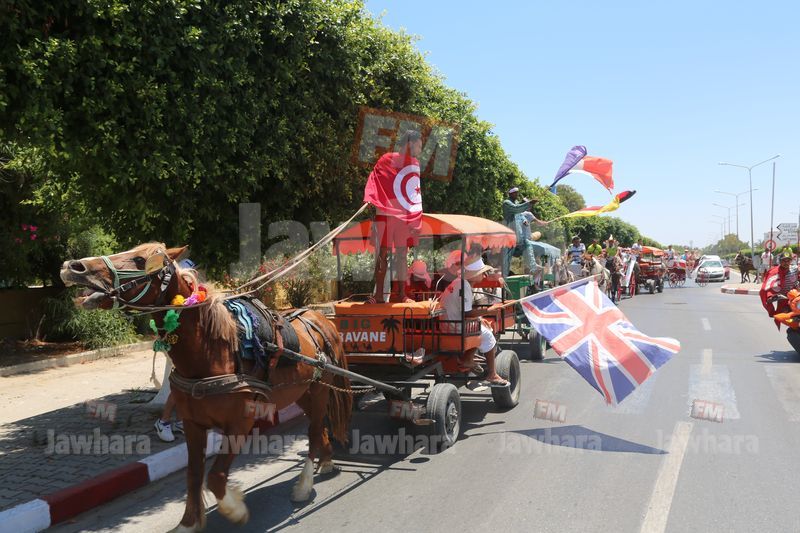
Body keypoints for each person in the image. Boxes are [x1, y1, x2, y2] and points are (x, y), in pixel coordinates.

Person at [363, 130, 424, 303]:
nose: (420, 150)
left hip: (403, 217)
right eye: (419, 146)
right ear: (410, 143)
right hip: (384, 214)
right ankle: (378, 295)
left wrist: (414, 217)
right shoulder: (386, 159)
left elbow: (413, 192)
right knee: (382, 254)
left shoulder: (415, 164)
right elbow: (376, 179)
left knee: (402, 254)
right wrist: (372, 197)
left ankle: (402, 295)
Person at [439, 251, 508, 386]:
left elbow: (463, 312)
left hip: (447, 323)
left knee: (480, 326)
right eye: (482, 273)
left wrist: (479, 318)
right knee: (489, 335)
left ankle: (468, 359)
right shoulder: (464, 285)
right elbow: (467, 314)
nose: (484, 276)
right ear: (475, 274)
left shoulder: (458, 282)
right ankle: (492, 374)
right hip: (456, 325)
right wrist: (488, 310)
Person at [761, 252, 800, 327]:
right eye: (783, 261)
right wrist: (770, 296)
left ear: (791, 261)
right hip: (783, 298)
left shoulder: (795, 269)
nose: (786, 263)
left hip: (796, 297)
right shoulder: (775, 272)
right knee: (784, 316)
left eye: (788, 261)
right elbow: (769, 285)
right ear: (780, 261)